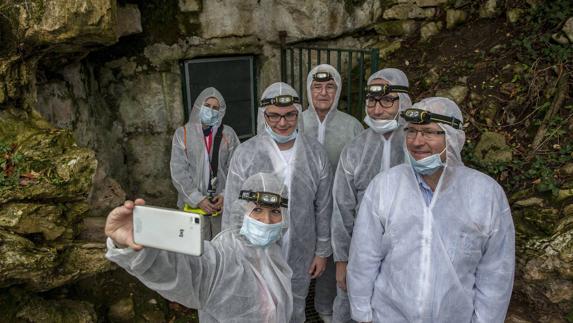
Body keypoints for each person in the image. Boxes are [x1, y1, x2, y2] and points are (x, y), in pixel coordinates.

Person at [347, 97, 515, 322]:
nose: (417, 142)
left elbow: (496, 272)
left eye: (428, 132)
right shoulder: (385, 186)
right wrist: (362, 314)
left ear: (453, 137)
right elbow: (364, 257)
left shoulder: (485, 194)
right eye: (411, 131)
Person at [106, 173, 294, 322]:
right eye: (257, 210)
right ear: (241, 211)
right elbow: (188, 270)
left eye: (275, 212)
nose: (266, 221)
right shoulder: (226, 255)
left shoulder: (272, 253)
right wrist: (138, 244)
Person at [222, 82, 333, 323]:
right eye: (274, 116)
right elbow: (233, 207)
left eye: (289, 115)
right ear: (264, 115)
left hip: (301, 251)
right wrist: (233, 254)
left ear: (298, 113)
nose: (282, 123)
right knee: (260, 307)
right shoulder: (246, 154)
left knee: (294, 305)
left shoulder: (316, 153)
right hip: (255, 251)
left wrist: (322, 251)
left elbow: (324, 206)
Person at [330, 68, 412, 323]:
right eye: (372, 101)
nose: (377, 110)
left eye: (388, 101)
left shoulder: (418, 144)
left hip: (409, 250)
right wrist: (342, 260)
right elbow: (341, 206)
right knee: (356, 308)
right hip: (361, 250)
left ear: (404, 102)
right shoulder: (355, 150)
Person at [301, 64, 363, 323]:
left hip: (337, 208)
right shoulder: (296, 122)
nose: (323, 93)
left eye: (330, 87)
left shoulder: (352, 127)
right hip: (301, 207)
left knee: (332, 260)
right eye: (317, 87)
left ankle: (325, 309)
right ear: (308, 90)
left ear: (338, 91)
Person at [170, 87, 240, 240]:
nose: (211, 110)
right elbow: (178, 171)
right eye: (207, 106)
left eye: (216, 108)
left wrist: (225, 195)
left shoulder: (227, 134)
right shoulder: (183, 134)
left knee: (222, 245)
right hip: (192, 205)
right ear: (198, 106)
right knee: (196, 248)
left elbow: (236, 169)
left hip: (220, 205)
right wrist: (197, 198)